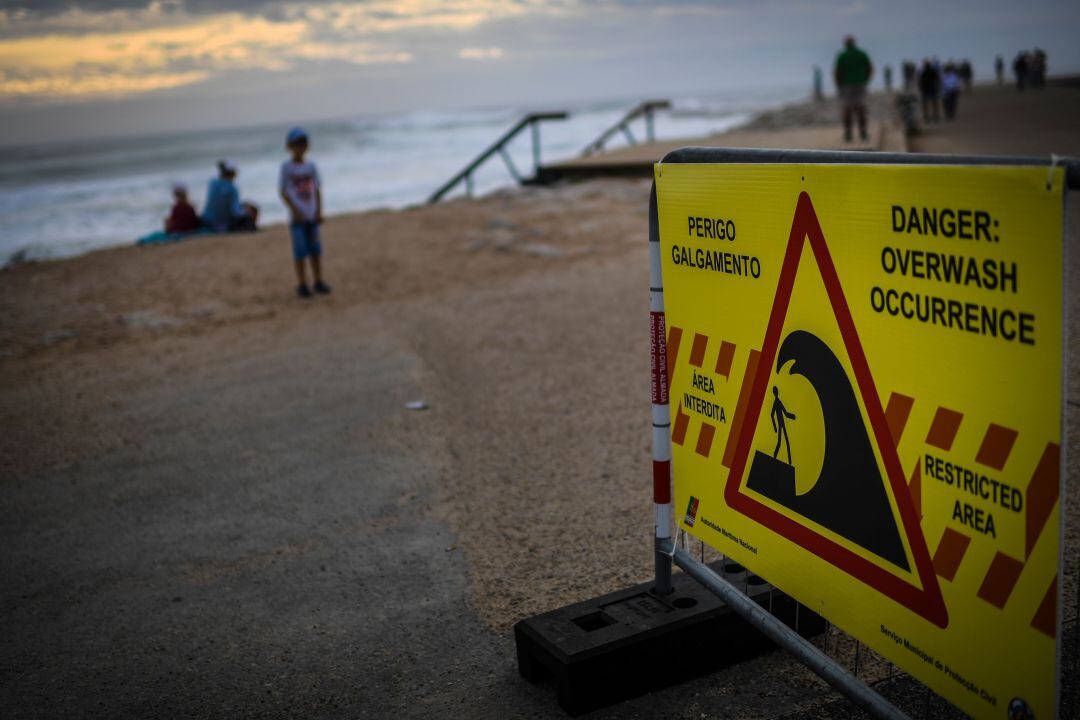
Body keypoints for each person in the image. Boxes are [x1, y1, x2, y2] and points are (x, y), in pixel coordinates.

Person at [279, 127, 329, 298]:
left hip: (312, 214)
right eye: (297, 144)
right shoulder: (286, 167)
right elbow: (283, 191)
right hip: (297, 218)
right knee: (300, 252)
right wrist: (295, 210)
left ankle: (318, 281)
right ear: (289, 146)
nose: (300, 147)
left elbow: (317, 189)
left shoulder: (311, 166)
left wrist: (319, 210)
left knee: (315, 251)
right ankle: (302, 283)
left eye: (303, 143)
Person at [833, 35, 873, 142]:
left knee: (847, 109)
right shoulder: (862, 54)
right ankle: (863, 132)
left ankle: (848, 133)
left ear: (845, 44)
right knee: (861, 109)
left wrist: (839, 86)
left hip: (846, 85)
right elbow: (870, 68)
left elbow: (837, 72)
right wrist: (865, 80)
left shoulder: (842, 56)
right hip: (860, 84)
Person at [201, 160, 257, 232]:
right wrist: (246, 212)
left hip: (206, 220)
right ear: (232, 173)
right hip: (222, 224)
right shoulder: (232, 188)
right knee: (251, 210)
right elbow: (235, 212)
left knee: (244, 206)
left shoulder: (212, 183)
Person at [770, 386, 796, 465]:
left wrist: (792, 416)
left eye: (776, 390)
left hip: (782, 424)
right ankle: (774, 459)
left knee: (787, 443)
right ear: (775, 393)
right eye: (775, 391)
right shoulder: (776, 402)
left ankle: (790, 463)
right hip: (780, 425)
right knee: (780, 442)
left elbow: (786, 413)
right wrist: (775, 426)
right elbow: (771, 415)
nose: (776, 392)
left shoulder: (779, 402)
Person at [918, 58, 940, 123]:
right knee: (933, 104)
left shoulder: (924, 72)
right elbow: (937, 81)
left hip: (927, 90)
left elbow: (920, 82)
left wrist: (921, 88)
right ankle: (933, 117)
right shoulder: (932, 72)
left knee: (927, 104)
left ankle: (929, 117)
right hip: (930, 89)